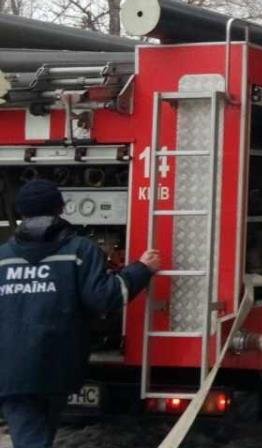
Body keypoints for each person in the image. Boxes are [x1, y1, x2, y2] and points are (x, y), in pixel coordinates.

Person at [0, 179, 161, 448]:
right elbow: (105, 298)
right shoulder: (79, 250)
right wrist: (141, 269)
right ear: (61, 208)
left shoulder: (3, 257)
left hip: (12, 371)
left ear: (20, 212)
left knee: (32, 438)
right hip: (57, 368)